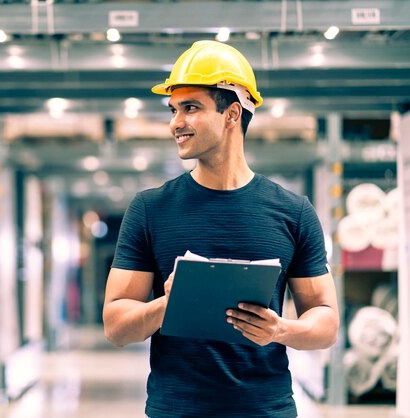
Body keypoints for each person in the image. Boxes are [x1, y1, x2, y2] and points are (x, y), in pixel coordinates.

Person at [102, 40, 339, 418]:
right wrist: (168, 305)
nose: (176, 122)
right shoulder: (150, 209)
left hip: (267, 410)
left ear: (232, 114)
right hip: (175, 410)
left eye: (191, 108)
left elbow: (325, 322)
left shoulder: (293, 211)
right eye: (173, 109)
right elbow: (115, 326)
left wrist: (279, 331)